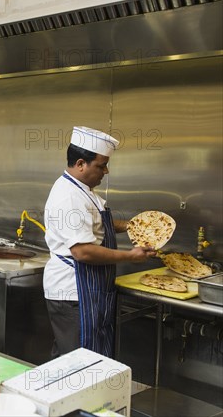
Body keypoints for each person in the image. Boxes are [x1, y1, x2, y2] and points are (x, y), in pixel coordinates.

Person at [43, 126, 156, 358]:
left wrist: (131, 226)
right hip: (73, 291)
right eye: (101, 165)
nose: (106, 170)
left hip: (89, 290)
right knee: (76, 361)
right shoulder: (69, 197)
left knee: (86, 357)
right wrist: (131, 255)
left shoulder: (84, 191)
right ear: (81, 163)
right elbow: (83, 252)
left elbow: (94, 222)